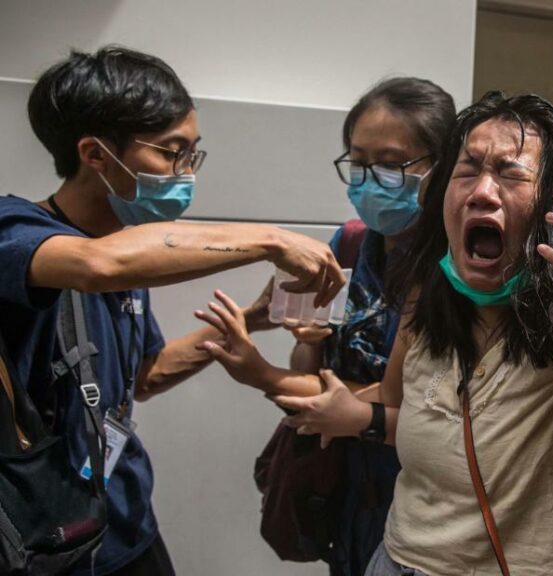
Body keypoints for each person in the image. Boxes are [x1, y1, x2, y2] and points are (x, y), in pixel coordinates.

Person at [197, 92, 553, 575]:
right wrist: (317, 380)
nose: (482, 190)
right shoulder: (425, 290)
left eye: (510, 172)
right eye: (468, 169)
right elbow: (399, 405)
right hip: (399, 558)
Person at [0, 46, 343, 575]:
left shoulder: (131, 249)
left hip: (126, 523)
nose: (185, 172)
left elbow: (145, 377)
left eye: (192, 154)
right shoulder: (18, 233)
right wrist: (273, 239)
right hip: (44, 537)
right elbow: (95, 265)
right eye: (170, 153)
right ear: (95, 154)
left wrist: (247, 322)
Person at [273, 77, 456, 576]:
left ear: (441, 168)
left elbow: (438, 411)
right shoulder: (352, 244)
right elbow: (315, 368)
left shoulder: (458, 267)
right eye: (358, 161)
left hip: (425, 499)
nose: (369, 178)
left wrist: (255, 372)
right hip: (350, 486)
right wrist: (308, 346)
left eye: (391, 164)